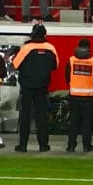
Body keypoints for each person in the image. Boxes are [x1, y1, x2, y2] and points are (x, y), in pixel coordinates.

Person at [10, 24, 57, 153]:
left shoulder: (26, 48)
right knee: (42, 117)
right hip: (42, 87)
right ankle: (43, 145)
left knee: (25, 116)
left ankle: (23, 145)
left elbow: (15, 64)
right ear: (44, 34)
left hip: (27, 87)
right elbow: (55, 65)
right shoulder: (50, 48)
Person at [64, 38, 93, 152]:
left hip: (74, 95)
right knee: (87, 123)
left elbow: (67, 77)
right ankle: (87, 145)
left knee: (73, 122)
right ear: (89, 47)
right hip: (88, 96)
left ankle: (71, 145)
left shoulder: (71, 60)